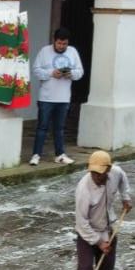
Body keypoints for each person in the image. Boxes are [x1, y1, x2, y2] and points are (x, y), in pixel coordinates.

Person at [74, 150, 133, 270]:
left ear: (108, 170)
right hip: (88, 232)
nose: (97, 177)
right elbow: (81, 223)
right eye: (94, 173)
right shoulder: (83, 189)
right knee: (86, 268)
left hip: (108, 227)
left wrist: (126, 198)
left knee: (107, 265)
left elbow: (123, 180)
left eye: (100, 173)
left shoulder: (116, 173)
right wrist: (99, 242)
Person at [29, 27, 85, 166]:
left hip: (64, 97)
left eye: (64, 44)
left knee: (60, 128)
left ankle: (60, 154)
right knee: (42, 127)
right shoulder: (44, 51)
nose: (62, 46)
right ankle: (36, 155)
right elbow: (36, 70)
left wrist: (70, 74)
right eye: (59, 43)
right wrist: (50, 73)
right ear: (54, 41)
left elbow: (80, 72)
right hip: (46, 97)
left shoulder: (73, 52)